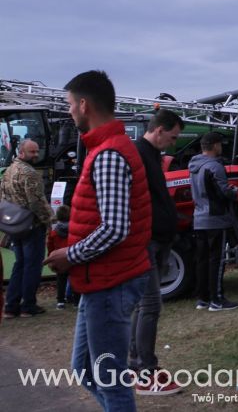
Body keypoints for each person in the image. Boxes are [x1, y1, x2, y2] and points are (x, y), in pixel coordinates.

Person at [43, 70, 151, 412]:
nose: (70, 111)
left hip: (110, 280)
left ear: (85, 104)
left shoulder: (107, 154)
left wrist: (70, 255)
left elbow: (116, 227)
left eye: (70, 104)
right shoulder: (105, 148)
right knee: (86, 369)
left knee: (107, 376)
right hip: (101, 279)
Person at [128, 109, 184, 396]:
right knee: (150, 305)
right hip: (147, 241)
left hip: (158, 238)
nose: (173, 143)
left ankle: (137, 364)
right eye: (172, 136)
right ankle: (146, 371)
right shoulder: (138, 153)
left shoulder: (151, 154)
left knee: (144, 305)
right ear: (159, 130)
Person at [2, 139, 53, 318]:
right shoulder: (30, 173)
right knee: (32, 265)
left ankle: (11, 305)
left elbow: (4, 197)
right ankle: (28, 306)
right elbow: (36, 202)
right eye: (32, 152)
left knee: (19, 264)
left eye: (37, 151)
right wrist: (49, 220)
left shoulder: (8, 171)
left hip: (15, 225)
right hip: (32, 225)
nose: (36, 155)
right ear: (21, 152)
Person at [188, 131, 238, 311]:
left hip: (198, 218)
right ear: (215, 145)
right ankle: (217, 300)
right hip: (216, 220)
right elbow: (224, 192)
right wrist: (234, 191)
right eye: (220, 144)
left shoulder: (193, 165)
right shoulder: (214, 167)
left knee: (202, 260)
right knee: (216, 261)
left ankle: (202, 299)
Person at [47, 205, 71, 309]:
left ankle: (60, 301)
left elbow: (50, 246)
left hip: (59, 260)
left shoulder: (53, 233)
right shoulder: (73, 231)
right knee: (73, 277)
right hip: (71, 257)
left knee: (61, 279)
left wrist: (51, 257)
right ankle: (75, 299)